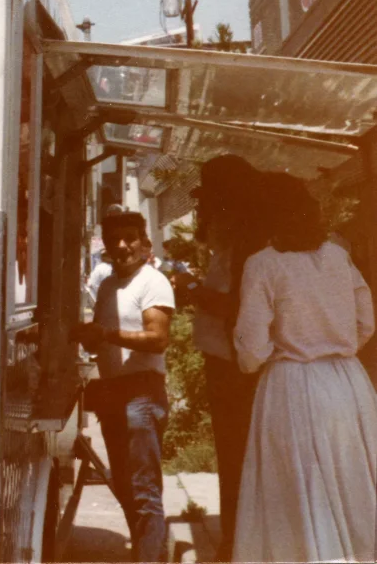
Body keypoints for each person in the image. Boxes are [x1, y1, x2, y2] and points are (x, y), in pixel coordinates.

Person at [232, 173, 377, 563]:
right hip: (348, 384)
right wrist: (337, 347)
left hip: (293, 383)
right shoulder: (336, 255)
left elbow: (252, 347)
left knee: (300, 487)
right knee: (351, 483)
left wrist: (263, 359)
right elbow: (367, 320)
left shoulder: (263, 264)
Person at [173, 154, 266, 561]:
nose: (201, 208)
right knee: (233, 456)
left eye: (208, 199)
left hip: (236, 366)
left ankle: (237, 544)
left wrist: (194, 291)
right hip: (226, 361)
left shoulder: (246, 243)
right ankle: (236, 538)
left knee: (237, 457)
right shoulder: (230, 238)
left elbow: (240, 306)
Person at [73, 208, 176, 562]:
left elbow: (158, 338)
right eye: (115, 239)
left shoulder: (153, 281)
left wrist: (107, 334)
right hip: (114, 392)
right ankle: (150, 552)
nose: (122, 245)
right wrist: (89, 337)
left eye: (130, 237)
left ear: (145, 243)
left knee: (144, 489)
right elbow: (102, 341)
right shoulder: (107, 285)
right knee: (126, 488)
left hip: (142, 393)